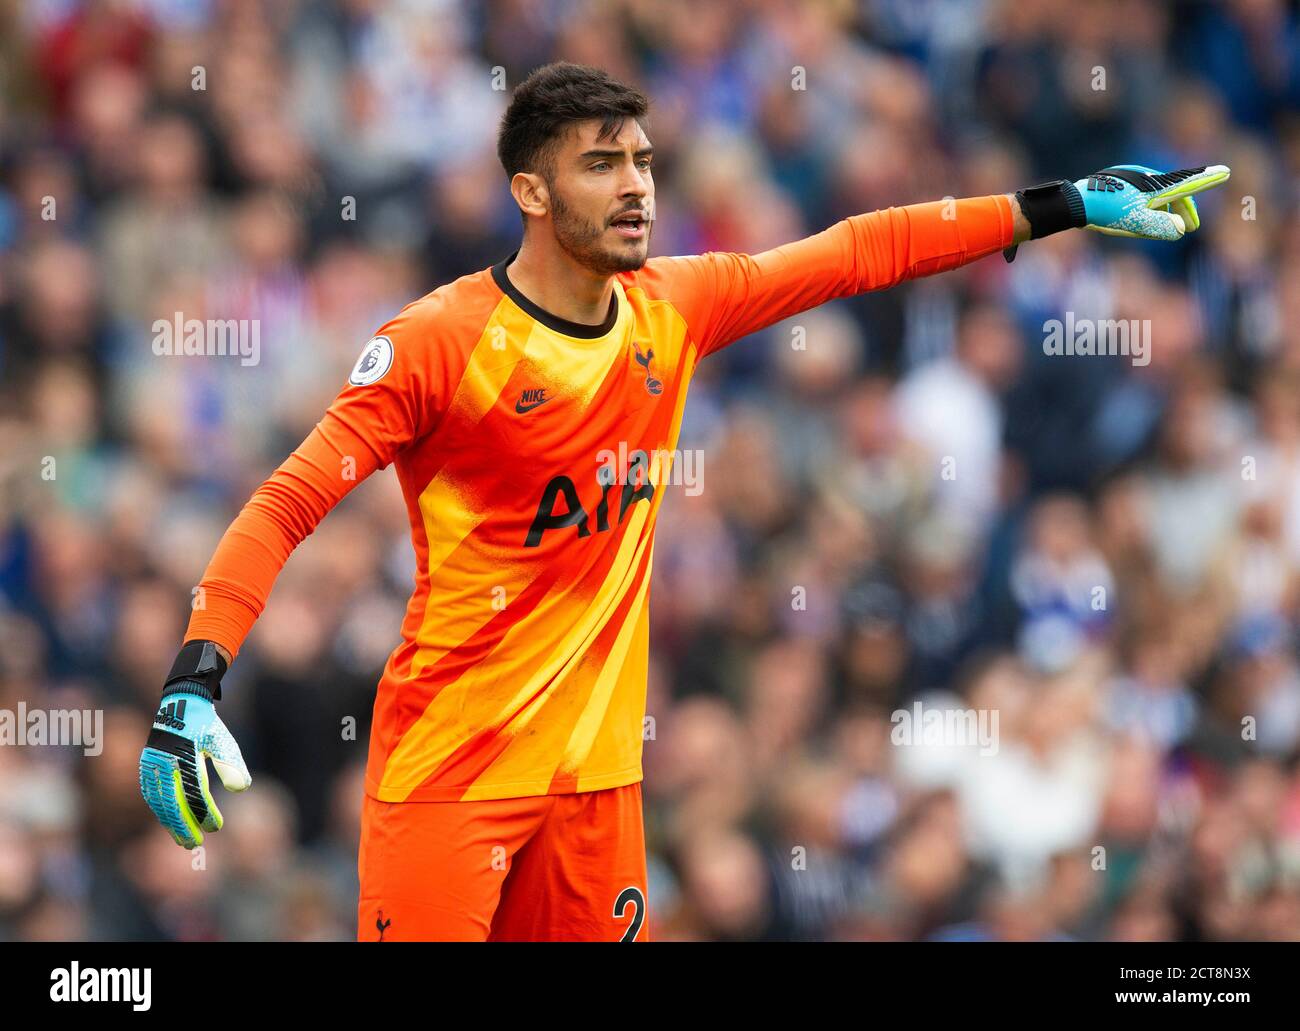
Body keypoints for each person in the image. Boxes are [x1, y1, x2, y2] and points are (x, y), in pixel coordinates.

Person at [137, 61, 1230, 942]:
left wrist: (1063, 206)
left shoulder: (675, 306)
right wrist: (195, 679)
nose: (637, 186)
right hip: (450, 775)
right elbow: (284, 502)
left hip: (596, 788)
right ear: (530, 190)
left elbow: (858, 251)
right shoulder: (440, 343)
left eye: (645, 162)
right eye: (602, 163)